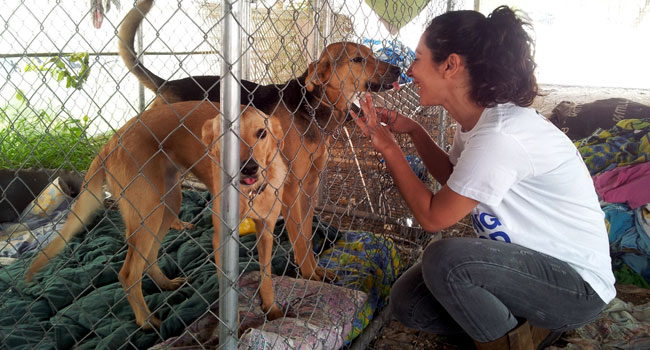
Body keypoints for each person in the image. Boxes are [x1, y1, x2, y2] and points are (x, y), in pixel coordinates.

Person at [352, 6, 615, 350]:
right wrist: (413, 131)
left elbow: (433, 216)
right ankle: (522, 326)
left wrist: (388, 147)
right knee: (409, 302)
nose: (411, 70)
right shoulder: (478, 120)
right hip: (526, 267)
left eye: (418, 59)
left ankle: (515, 341)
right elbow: (456, 179)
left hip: (574, 287)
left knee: (444, 260)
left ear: (450, 65)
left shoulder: (501, 135)